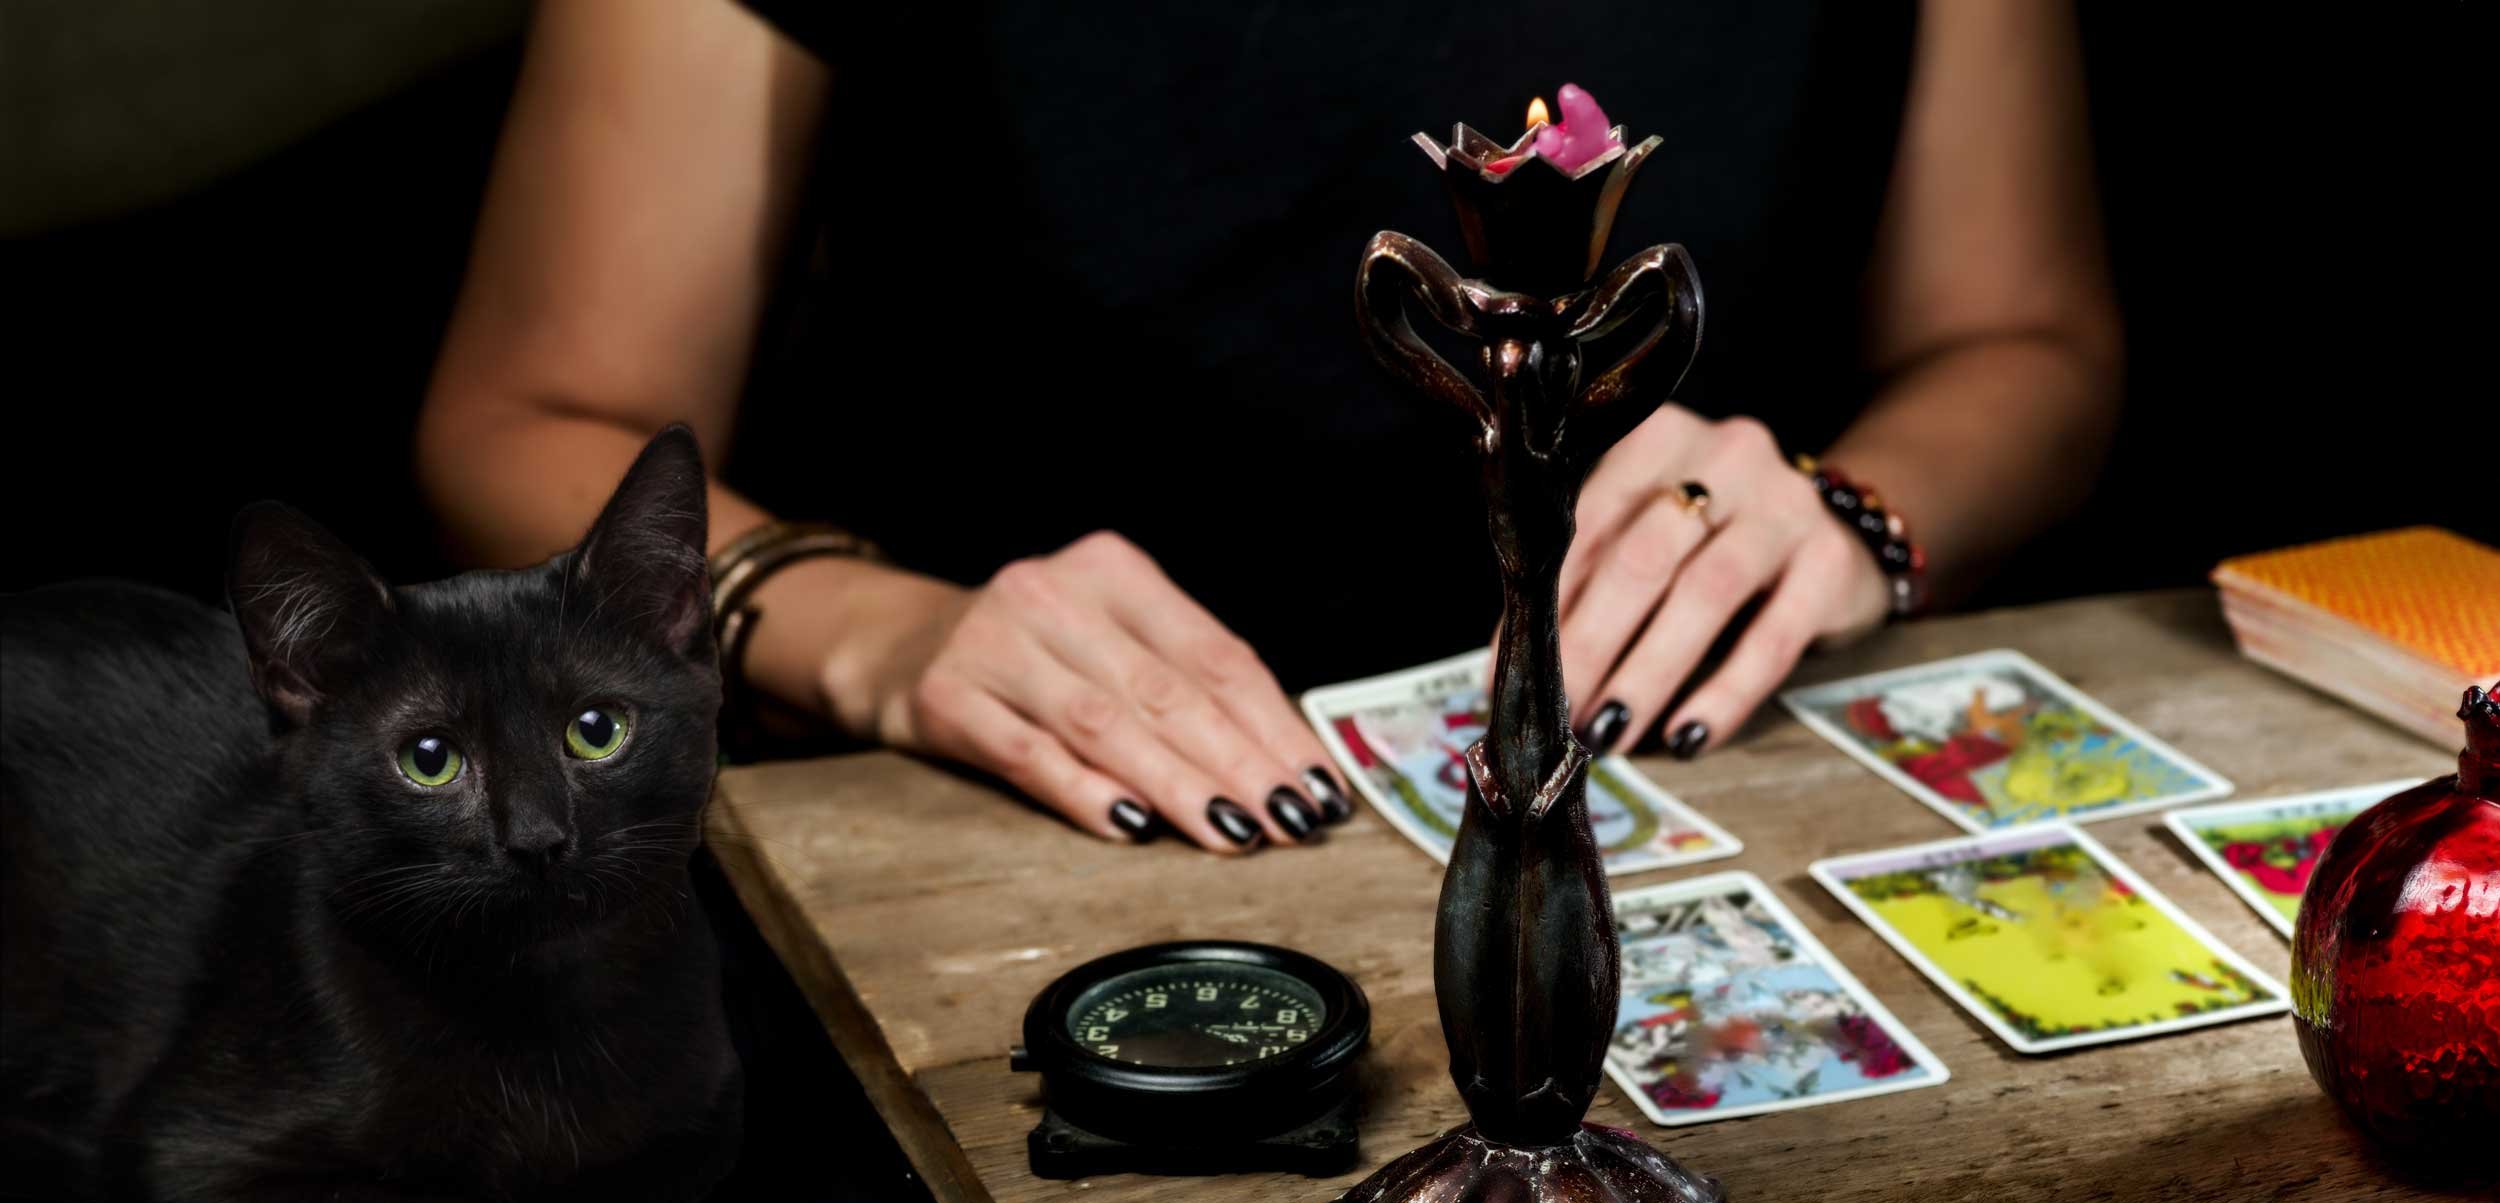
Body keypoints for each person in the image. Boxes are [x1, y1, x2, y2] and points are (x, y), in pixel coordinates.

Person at [417, 0, 2120, 855]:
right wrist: (881, 636)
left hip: (1698, 782)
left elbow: (2028, 338)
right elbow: (521, 419)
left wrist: (1852, 515)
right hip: (1010, 813)